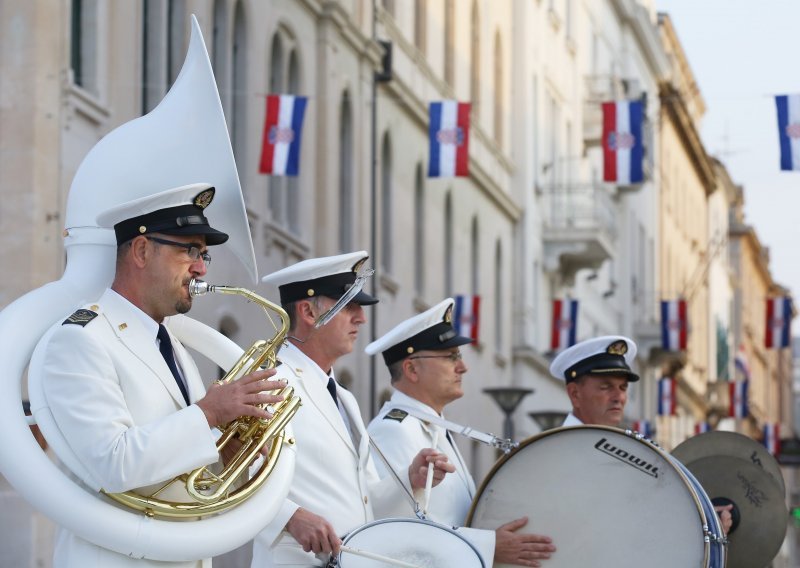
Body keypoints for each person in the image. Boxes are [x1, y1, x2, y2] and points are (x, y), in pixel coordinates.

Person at [36, 184, 287, 568]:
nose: (201, 266)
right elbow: (113, 463)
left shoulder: (170, 343)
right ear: (140, 251)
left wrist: (225, 455)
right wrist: (208, 414)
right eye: (188, 250)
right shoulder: (81, 338)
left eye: (204, 254)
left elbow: (180, 468)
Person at [251, 252, 455, 567]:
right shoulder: (272, 379)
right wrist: (290, 517)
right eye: (349, 306)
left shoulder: (345, 397)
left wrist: (409, 479)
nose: (361, 318)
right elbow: (231, 472)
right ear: (307, 311)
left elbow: (364, 501)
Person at [365, 298, 557, 567]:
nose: (462, 367)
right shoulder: (393, 430)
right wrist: (489, 546)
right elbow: (397, 530)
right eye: (450, 357)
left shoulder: (432, 425)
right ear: (411, 369)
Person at [549, 335, 733, 535]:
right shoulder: (552, 455)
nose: (618, 397)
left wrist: (704, 525)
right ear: (575, 394)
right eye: (606, 387)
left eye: (622, 388)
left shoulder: (626, 453)